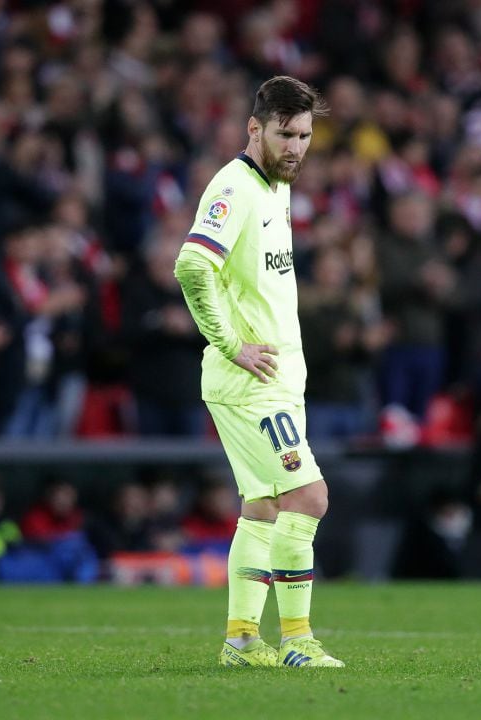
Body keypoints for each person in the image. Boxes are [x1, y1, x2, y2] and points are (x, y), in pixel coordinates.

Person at [173, 76, 343, 668]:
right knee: (309, 495)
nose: (296, 147)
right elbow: (192, 265)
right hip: (250, 384)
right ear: (255, 128)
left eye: (305, 135)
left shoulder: (278, 186)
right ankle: (297, 639)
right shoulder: (235, 187)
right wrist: (231, 343)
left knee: (263, 509)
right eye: (284, 134)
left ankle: (242, 639)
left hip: (274, 381)